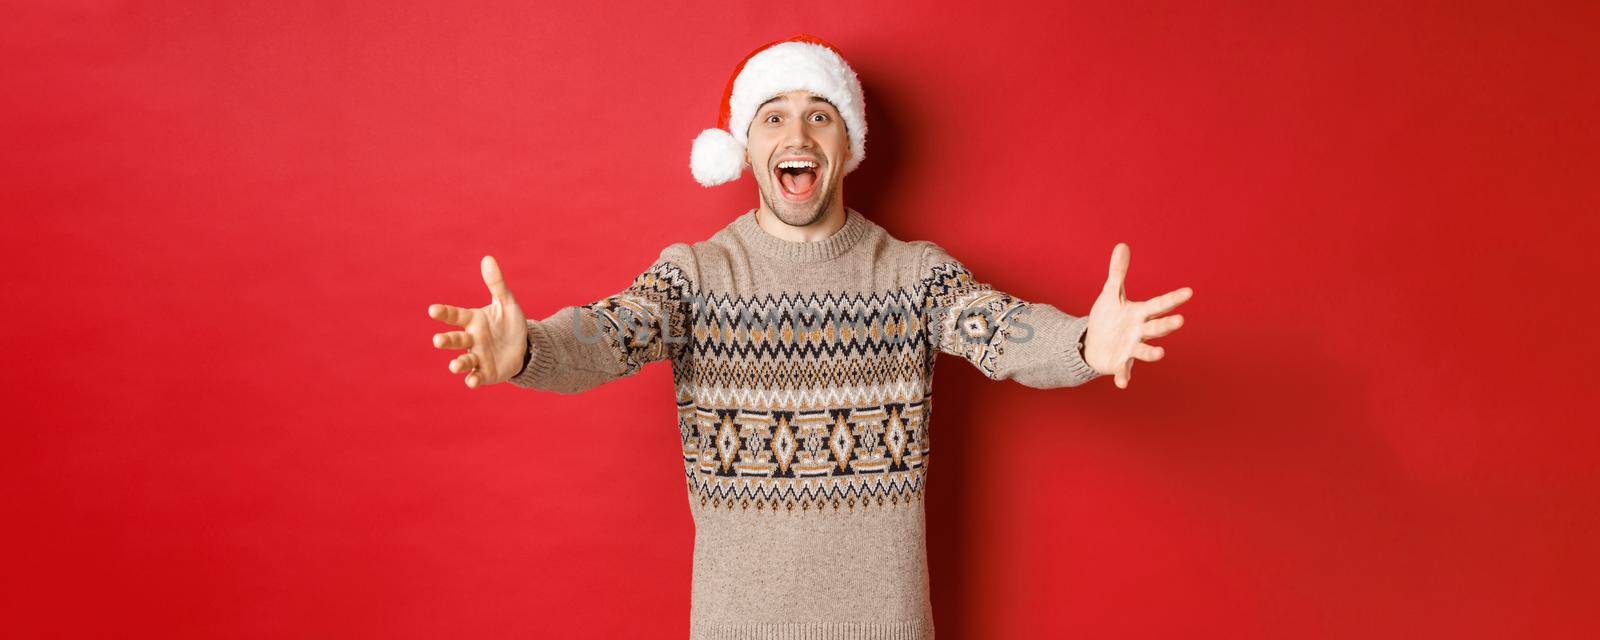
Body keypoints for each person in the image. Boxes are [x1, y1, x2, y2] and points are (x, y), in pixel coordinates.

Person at [426, 33, 1192, 640]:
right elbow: (606, 334)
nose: (798, 130)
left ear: (846, 145)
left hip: (885, 629)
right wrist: (528, 348)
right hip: (735, 629)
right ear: (747, 147)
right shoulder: (694, 276)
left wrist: (1087, 343)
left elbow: (1002, 332)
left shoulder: (911, 273)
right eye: (774, 115)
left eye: (819, 113)